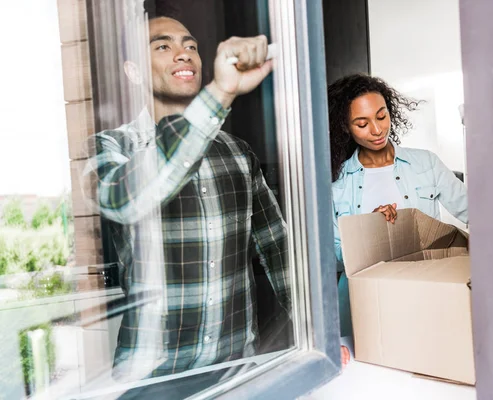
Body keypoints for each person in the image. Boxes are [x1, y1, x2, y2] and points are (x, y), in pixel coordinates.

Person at [84, 16, 290, 381]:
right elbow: (122, 200)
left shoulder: (238, 152)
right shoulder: (111, 147)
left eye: (191, 46)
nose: (184, 54)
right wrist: (221, 93)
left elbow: (280, 252)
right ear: (133, 71)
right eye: (163, 46)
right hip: (150, 378)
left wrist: (316, 329)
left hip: (235, 370)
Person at [328, 74, 468, 341]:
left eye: (381, 116)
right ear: (346, 127)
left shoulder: (425, 163)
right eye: (362, 123)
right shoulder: (338, 181)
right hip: (362, 301)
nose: (377, 130)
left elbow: (474, 213)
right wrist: (368, 231)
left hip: (425, 291)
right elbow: (334, 256)